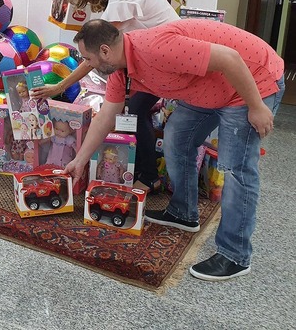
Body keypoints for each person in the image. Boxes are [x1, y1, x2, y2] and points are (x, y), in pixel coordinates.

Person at [63, 19, 284, 281]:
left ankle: (235, 254)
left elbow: (231, 59)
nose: (87, 65)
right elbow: (105, 118)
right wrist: (80, 159)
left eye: (88, 58)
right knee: (176, 137)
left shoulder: (156, 48)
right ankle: (183, 212)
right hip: (209, 90)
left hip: (251, 81)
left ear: (104, 51)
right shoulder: (121, 72)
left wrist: (257, 106)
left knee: (236, 166)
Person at [31, 0, 179, 193]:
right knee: (135, 108)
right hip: (158, 58)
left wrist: (60, 87)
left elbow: (94, 57)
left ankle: (150, 176)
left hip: (169, 58)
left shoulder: (119, 2)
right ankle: (146, 172)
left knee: (137, 110)